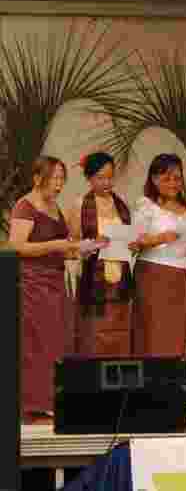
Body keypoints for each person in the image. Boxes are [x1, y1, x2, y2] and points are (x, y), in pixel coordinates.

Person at [11, 156, 83, 424]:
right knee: (35, 344)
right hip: (33, 282)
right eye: (54, 178)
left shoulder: (55, 207)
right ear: (38, 178)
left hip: (54, 280)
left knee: (56, 342)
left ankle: (50, 403)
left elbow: (61, 244)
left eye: (62, 178)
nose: (59, 184)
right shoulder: (25, 206)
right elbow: (18, 246)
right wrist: (55, 245)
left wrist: (77, 248)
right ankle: (32, 408)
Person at [132, 153, 186, 357]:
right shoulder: (146, 205)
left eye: (177, 178)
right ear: (154, 179)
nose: (173, 183)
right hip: (153, 274)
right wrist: (161, 238)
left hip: (181, 275)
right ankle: (149, 386)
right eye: (166, 178)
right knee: (153, 333)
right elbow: (135, 242)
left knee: (175, 333)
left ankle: (170, 384)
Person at [68, 152, 133, 357]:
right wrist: (93, 243)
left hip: (120, 273)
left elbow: (129, 235)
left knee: (120, 326)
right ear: (89, 178)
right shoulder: (80, 204)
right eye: (100, 178)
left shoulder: (121, 204)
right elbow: (73, 244)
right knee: (95, 331)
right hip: (93, 273)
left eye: (110, 177)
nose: (107, 182)